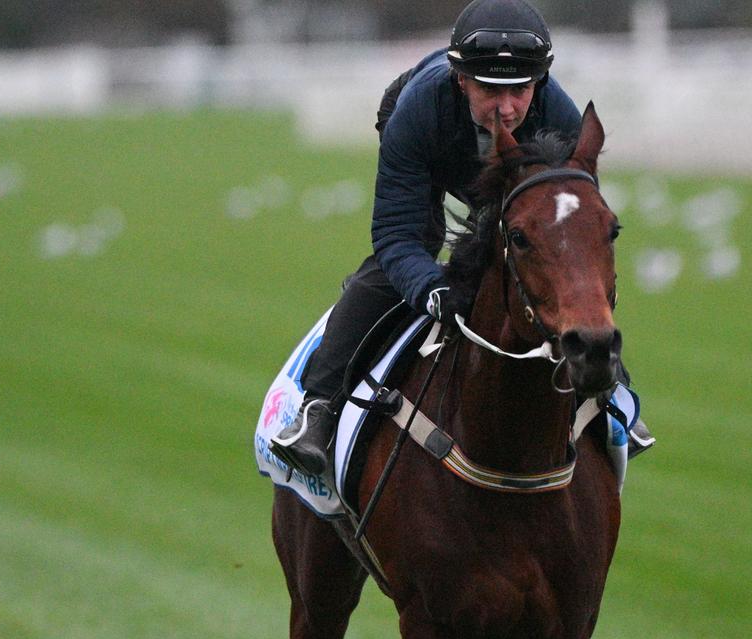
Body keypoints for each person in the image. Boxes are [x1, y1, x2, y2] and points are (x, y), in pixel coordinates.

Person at [271, 0, 652, 478]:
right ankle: (318, 409)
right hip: (435, 145)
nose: (508, 107)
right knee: (409, 257)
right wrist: (432, 288)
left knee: (544, 256)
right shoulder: (418, 113)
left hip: (518, 175)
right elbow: (395, 234)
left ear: (540, 83)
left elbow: (572, 231)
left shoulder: (557, 113)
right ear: (461, 79)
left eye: (521, 90)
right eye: (491, 89)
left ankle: (613, 393)